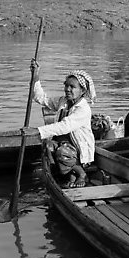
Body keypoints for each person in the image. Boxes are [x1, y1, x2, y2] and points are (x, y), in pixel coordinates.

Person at [23, 59, 96, 188]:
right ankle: (67, 173)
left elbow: (65, 126)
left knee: (62, 152)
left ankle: (80, 172)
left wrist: (37, 131)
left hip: (77, 149)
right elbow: (41, 98)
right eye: (66, 85)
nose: (67, 89)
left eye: (72, 87)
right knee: (47, 146)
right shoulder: (64, 101)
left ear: (82, 91)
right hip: (64, 143)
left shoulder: (83, 108)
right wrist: (36, 77)